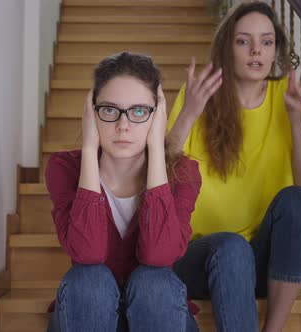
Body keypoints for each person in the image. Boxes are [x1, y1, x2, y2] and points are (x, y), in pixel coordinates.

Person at [166, 2, 301, 332]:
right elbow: (163, 172)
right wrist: (189, 113)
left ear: (276, 49)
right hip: (199, 257)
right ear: (228, 47)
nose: (256, 51)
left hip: (260, 262)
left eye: (267, 42)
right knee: (230, 246)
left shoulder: (286, 95)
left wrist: (295, 118)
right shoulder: (200, 93)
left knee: (300, 202)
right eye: (243, 41)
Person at [45, 52, 202, 332]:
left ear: (158, 115)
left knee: (154, 283)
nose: (123, 125)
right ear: (91, 113)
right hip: (90, 309)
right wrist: (90, 150)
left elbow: (159, 256)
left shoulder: (184, 173)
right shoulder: (64, 168)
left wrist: (156, 149)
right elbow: (87, 252)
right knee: (87, 280)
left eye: (139, 111)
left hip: (158, 310)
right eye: (109, 110)